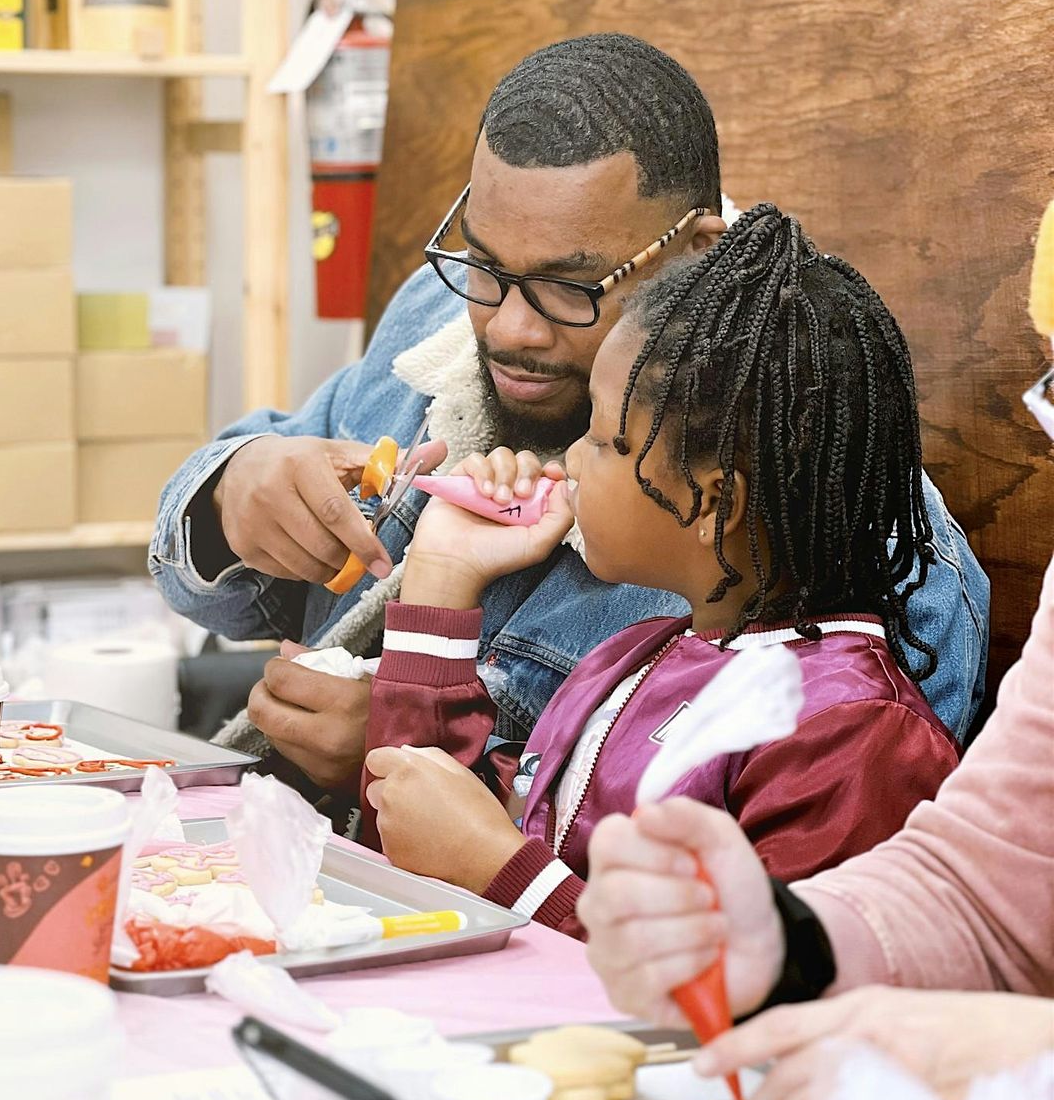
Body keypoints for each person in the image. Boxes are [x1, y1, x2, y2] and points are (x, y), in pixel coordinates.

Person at [150, 35, 988, 807]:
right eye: (485, 264)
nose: (510, 329)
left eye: (569, 287)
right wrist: (235, 492)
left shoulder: (839, 548)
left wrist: (404, 747)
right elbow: (215, 599)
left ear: (694, 254)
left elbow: (784, 877)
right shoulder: (436, 322)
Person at [576, 199, 1054, 1100]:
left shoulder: (851, 716)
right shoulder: (640, 654)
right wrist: (793, 943)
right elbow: (988, 891)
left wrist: (1020, 1055)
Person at [361, 204, 961, 928]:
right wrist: (441, 576)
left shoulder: (852, 735)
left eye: (606, 439)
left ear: (713, 501)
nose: (573, 458)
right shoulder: (630, 660)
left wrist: (505, 873)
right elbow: (423, 846)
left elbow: (770, 995)